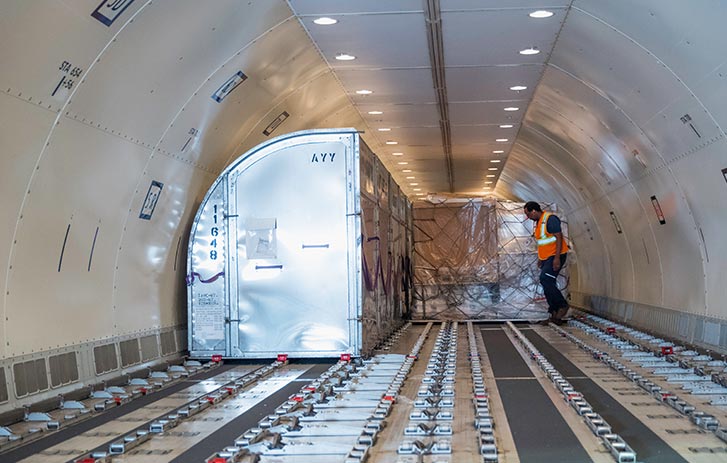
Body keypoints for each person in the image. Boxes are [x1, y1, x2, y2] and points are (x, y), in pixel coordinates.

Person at [523, 201, 570, 325]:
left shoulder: (550, 219)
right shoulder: (538, 223)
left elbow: (558, 237)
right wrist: (540, 258)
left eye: (528, 214)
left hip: (555, 255)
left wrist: (557, 258)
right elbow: (543, 243)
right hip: (546, 257)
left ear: (534, 211)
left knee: (545, 279)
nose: (528, 217)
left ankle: (562, 306)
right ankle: (554, 313)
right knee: (546, 282)